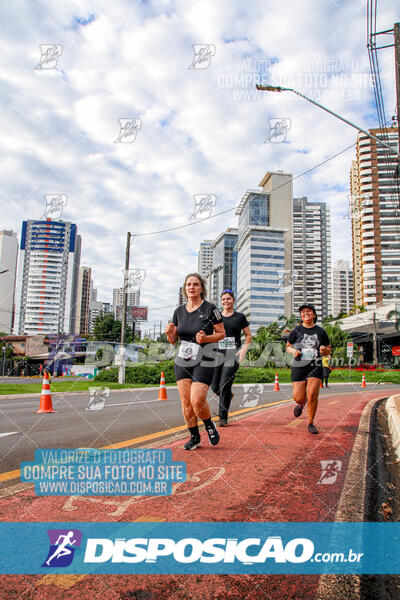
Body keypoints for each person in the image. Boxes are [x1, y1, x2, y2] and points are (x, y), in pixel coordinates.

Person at [165, 273, 226, 450]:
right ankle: (195, 437)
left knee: (197, 400)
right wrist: (169, 333)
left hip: (205, 358)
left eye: (196, 284)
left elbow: (222, 334)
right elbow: (173, 340)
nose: (192, 287)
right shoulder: (179, 311)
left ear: (201, 288)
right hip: (183, 360)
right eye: (189, 285)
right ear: (185, 289)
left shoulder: (210, 309)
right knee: (186, 402)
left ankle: (208, 424)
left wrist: (206, 338)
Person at [286, 304, 331, 434]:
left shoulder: (320, 331)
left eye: (309, 311)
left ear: (314, 315)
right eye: (303, 312)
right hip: (299, 366)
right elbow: (288, 346)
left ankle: (310, 422)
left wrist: (324, 349)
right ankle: (301, 404)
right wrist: (293, 351)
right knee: (298, 397)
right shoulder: (296, 331)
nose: (306, 313)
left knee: (312, 395)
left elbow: (328, 349)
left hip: (315, 365)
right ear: (301, 315)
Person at [211, 289, 252, 426]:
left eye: (228, 299)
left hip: (232, 354)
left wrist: (244, 350)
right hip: (217, 353)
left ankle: (223, 417)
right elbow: (212, 334)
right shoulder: (216, 317)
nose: (226, 301)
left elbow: (248, 335)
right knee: (215, 386)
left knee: (224, 385)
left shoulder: (240, 317)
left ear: (233, 300)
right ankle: (227, 395)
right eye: (223, 299)